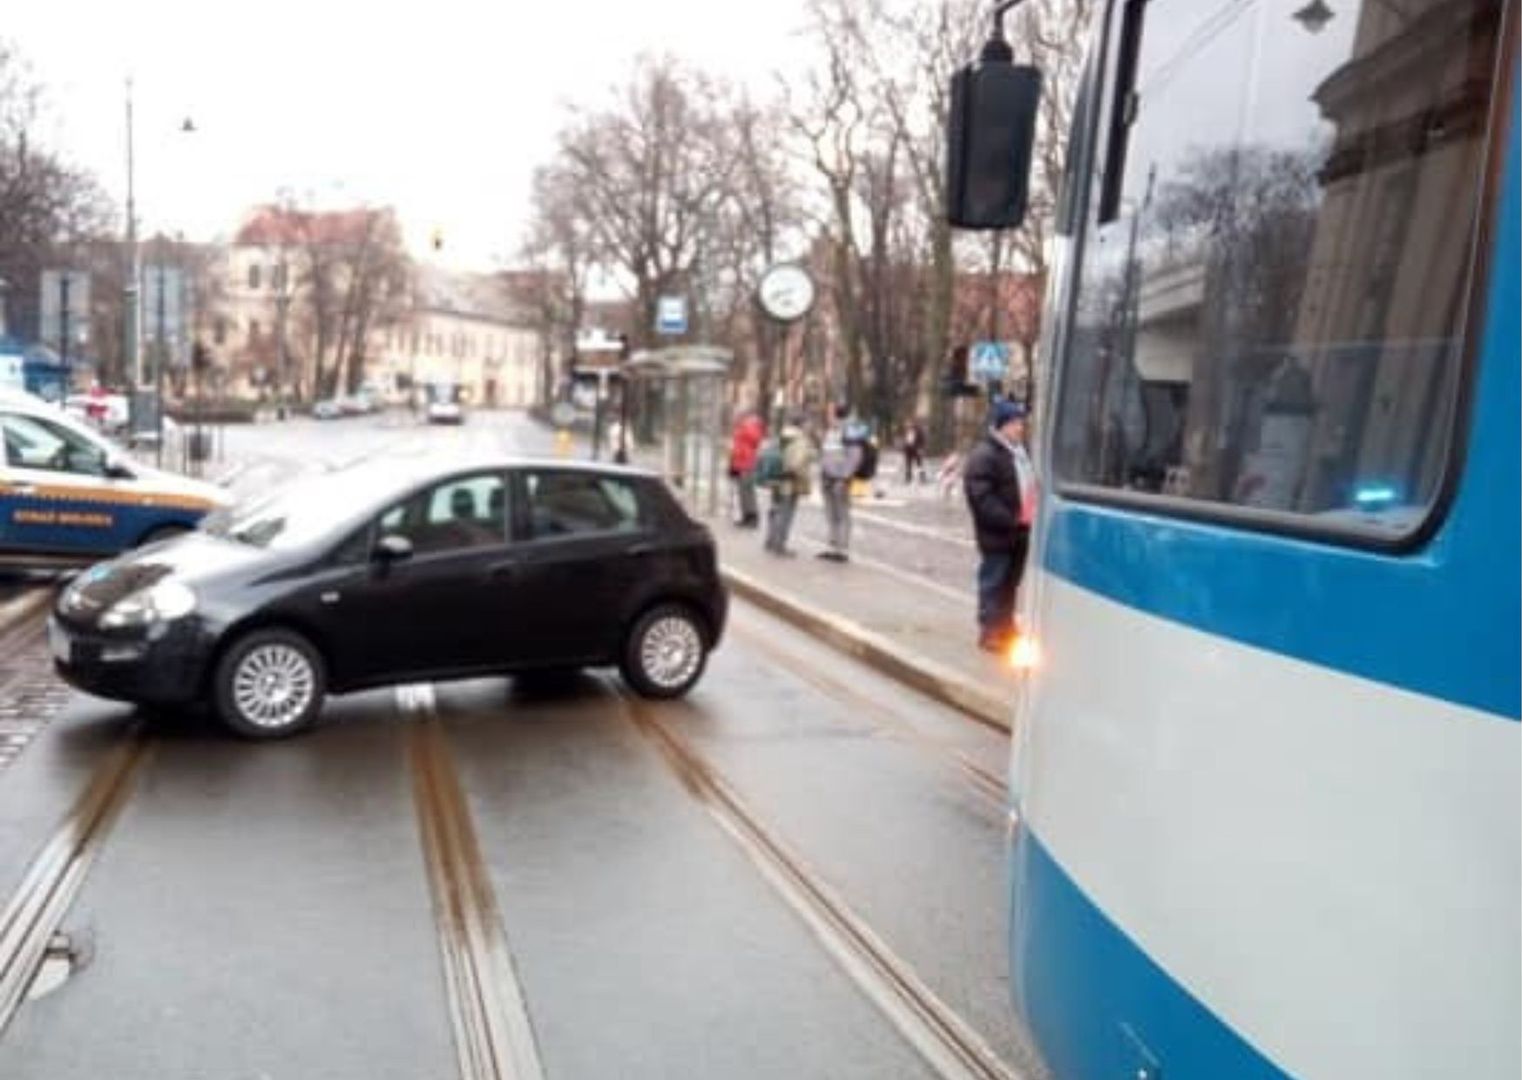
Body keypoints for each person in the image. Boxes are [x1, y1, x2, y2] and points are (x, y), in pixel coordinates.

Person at [962, 399, 1037, 652]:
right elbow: (981, 496)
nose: (1020, 429)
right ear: (1001, 426)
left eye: (1021, 424)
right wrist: (1008, 519)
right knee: (994, 581)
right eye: (1015, 424)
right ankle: (990, 630)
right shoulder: (986, 455)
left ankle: (1006, 627)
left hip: (1020, 531)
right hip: (998, 533)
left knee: (1010, 582)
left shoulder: (1020, 454)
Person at [765, 413, 816, 557]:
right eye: (808, 423)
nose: (810, 426)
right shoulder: (800, 440)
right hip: (790, 482)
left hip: (775, 479)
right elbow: (796, 464)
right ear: (802, 424)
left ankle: (770, 540)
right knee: (786, 513)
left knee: (775, 510)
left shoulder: (781, 436)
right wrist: (801, 475)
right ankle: (780, 545)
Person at [817, 403, 862, 562]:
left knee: (842, 513)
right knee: (830, 514)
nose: (827, 416)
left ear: (837, 415)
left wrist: (844, 477)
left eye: (830, 413)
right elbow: (826, 453)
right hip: (827, 477)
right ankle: (832, 546)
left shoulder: (850, 431)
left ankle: (842, 550)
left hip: (840, 479)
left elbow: (854, 457)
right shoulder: (831, 432)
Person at [728, 410, 766, 527]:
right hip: (740, 462)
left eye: (736, 416)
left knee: (747, 491)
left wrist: (742, 427)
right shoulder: (742, 427)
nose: (734, 418)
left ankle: (751, 517)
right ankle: (746, 516)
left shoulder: (749, 426)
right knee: (742, 492)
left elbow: (754, 440)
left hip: (746, 463)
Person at [902, 419, 926, 484]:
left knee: (919, 464)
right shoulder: (906, 431)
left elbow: (922, 440)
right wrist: (904, 447)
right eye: (907, 424)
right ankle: (908, 478)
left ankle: (922, 477)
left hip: (916, 449)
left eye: (908, 423)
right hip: (908, 450)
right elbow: (905, 439)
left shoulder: (918, 430)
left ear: (912, 423)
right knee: (908, 464)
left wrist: (921, 448)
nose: (907, 425)